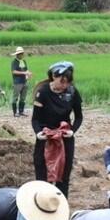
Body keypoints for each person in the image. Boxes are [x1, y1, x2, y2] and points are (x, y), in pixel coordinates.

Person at [31, 61, 83, 196]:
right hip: (46, 137)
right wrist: (38, 133)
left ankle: (61, 210)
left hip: (65, 138)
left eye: (68, 83)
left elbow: (78, 117)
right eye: (62, 82)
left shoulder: (72, 92)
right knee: (42, 176)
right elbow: (35, 119)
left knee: (63, 177)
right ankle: (41, 206)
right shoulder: (42, 92)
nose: (64, 86)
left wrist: (72, 131)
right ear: (54, 76)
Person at [10, 48, 31, 117]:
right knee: (15, 97)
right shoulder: (14, 62)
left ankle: (21, 111)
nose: (21, 55)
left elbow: (26, 70)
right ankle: (15, 112)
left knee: (23, 97)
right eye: (20, 54)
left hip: (24, 81)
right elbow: (14, 71)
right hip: (17, 82)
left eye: (22, 53)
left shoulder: (24, 61)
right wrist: (24, 73)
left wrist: (28, 74)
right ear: (17, 54)